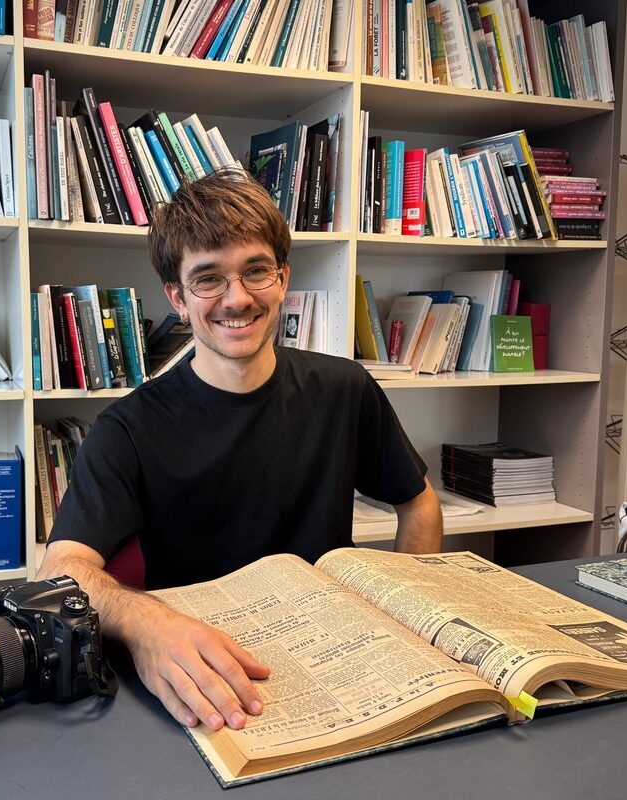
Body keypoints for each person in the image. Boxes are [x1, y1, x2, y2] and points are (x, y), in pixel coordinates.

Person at [37, 169, 443, 735]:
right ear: (177, 298)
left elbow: (419, 504)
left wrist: (408, 613)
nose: (238, 299)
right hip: (204, 671)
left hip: (340, 657)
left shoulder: (345, 389)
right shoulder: (126, 428)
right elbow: (61, 571)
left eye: (256, 270)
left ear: (283, 279)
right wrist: (147, 626)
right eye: (208, 279)